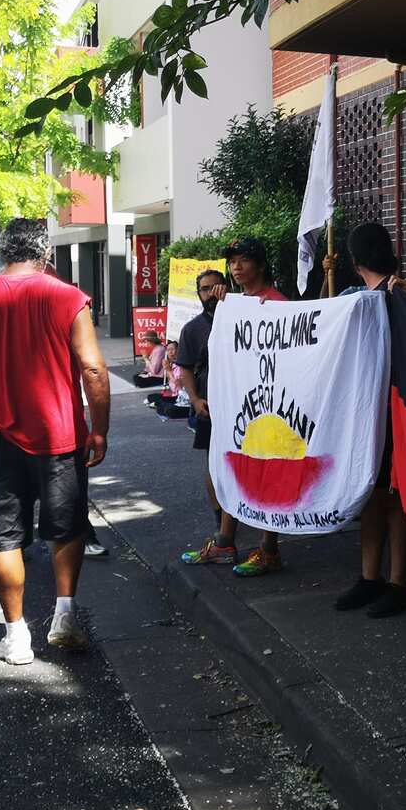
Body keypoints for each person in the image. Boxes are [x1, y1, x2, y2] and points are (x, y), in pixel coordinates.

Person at [0, 218, 110, 665]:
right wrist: (100, 428)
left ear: (2, 251)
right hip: (58, 436)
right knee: (66, 528)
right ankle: (64, 617)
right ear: (45, 253)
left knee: (4, 539)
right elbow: (92, 368)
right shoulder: (67, 297)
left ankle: (16, 636)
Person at [177, 237, 289, 577]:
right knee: (232, 468)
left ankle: (268, 549)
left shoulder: (277, 303)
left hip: (267, 405)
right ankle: (225, 542)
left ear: (261, 265)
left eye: (244, 260)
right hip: (235, 405)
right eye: (232, 262)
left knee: (267, 472)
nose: (236, 267)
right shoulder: (232, 304)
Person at [333, 222, 406, 619]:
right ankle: (375, 578)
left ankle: (397, 582)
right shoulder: (363, 295)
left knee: (394, 495)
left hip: (386, 408)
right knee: (373, 492)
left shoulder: (393, 294)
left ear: (355, 261)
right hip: (375, 408)